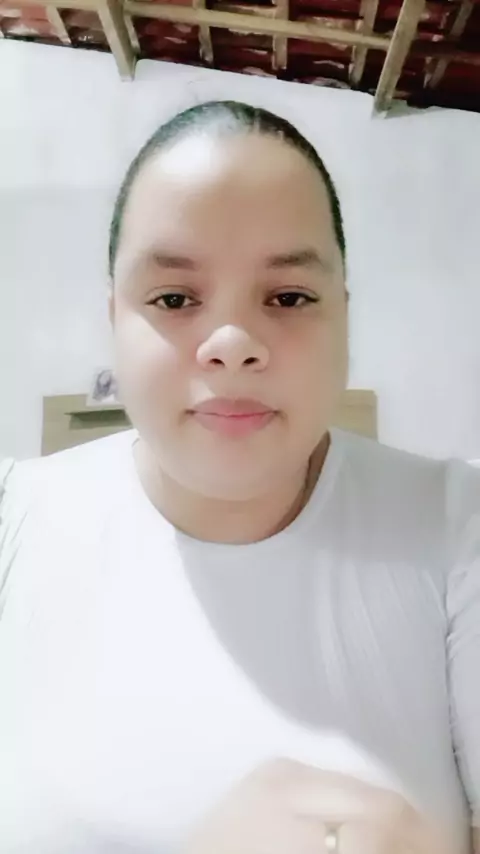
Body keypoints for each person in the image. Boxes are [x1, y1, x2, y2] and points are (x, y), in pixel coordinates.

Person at [0, 100, 478, 854]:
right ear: (113, 318)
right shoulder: (14, 520)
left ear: (343, 315)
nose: (231, 342)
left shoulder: (457, 526)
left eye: (288, 297)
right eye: (174, 299)